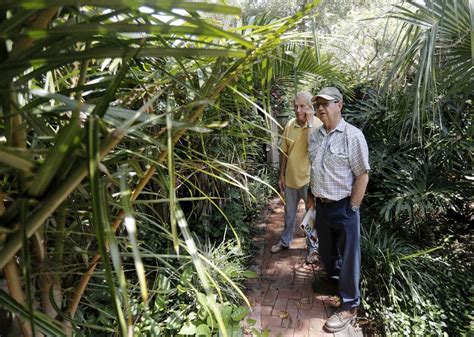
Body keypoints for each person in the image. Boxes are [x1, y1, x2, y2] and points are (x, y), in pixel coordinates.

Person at [308, 87, 370, 333]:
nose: (320, 109)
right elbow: (315, 169)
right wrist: (311, 198)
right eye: (317, 105)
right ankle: (334, 282)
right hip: (322, 207)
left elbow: (362, 175)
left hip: (343, 207)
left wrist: (352, 207)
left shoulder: (352, 136)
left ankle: (349, 304)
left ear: (339, 105)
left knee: (349, 259)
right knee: (327, 252)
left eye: (325, 104)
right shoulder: (316, 136)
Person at [270, 91, 323, 264]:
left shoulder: (318, 125)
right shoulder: (290, 125)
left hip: (309, 180)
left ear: (310, 107)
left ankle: (312, 249)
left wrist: (308, 124)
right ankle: (285, 241)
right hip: (291, 178)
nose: (297, 110)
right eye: (295, 106)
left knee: (310, 216)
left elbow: (312, 149)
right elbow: (284, 152)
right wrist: (282, 175)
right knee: (289, 214)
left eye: (302, 106)